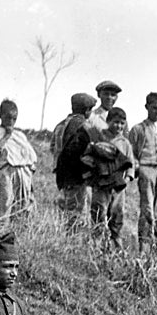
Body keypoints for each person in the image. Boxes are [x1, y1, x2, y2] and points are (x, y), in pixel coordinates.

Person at [127, 92, 157, 252]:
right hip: (146, 168)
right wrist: (137, 167)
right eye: (154, 108)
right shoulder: (138, 129)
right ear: (147, 107)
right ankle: (144, 246)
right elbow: (131, 152)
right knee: (147, 208)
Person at [84, 108, 136, 249]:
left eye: (122, 123)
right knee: (99, 214)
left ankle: (116, 248)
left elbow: (131, 164)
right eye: (115, 122)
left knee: (116, 216)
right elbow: (89, 157)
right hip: (101, 184)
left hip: (118, 187)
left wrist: (128, 178)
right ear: (108, 121)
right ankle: (96, 246)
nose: (119, 126)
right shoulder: (99, 137)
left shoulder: (125, 143)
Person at [0, 99, 37, 225]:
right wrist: (7, 135)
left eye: (14, 119)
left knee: (23, 204)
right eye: (8, 118)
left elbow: (31, 155)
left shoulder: (19, 135)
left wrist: (30, 172)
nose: (11, 122)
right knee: (4, 203)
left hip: (23, 172)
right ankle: (0, 230)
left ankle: (19, 231)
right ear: (0, 116)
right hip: (7, 171)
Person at [53, 93, 97, 226]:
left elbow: (52, 147)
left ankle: (68, 241)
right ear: (87, 110)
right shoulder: (85, 126)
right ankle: (75, 243)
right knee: (80, 214)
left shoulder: (60, 125)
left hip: (62, 175)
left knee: (67, 211)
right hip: (79, 176)